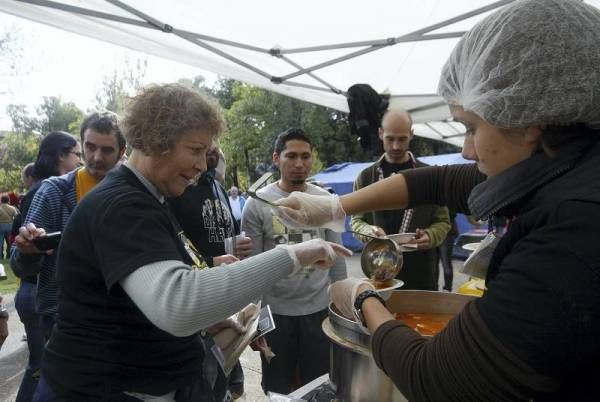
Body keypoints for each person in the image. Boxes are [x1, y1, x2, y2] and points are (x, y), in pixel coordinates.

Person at [274, 1, 600, 400]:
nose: (465, 150)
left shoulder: (575, 231)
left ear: (527, 119)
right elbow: (442, 181)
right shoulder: (572, 163)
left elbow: (437, 379)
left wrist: (363, 299)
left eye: (470, 128)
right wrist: (337, 207)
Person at [28, 84, 350, 401]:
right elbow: (178, 304)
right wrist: (293, 255)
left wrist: (210, 295)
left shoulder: (150, 197)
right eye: (195, 150)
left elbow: (148, 288)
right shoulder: (123, 205)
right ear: (157, 140)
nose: (201, 165)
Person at [242, 128, 347, 394]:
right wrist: (254, 322)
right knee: (278, 388)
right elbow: (251, 268)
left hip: (318, 311)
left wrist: (343, 307)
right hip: (277, 316)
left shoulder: (325, 200)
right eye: (291, 156)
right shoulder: (257, 204)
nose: (299, 164)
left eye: (305, 156)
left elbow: (339, 258)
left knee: (318, 386)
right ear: (276, 158)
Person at [12, 113, 124, 343]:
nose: (96, 157)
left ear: (122, 152)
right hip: (62, 320)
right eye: (90, 147)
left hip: (117, 321)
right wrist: (27, 251)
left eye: (107, 150)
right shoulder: (53, 191)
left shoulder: (131, 194)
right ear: (81, 144)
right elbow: (19, 265)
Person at [169, 144, 251, 399]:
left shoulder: (217, 186)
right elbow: (173, 249)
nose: (212, 148)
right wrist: (211, 261)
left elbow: (230, 232)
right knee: (204, 383)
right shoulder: (177, 189)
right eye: (203, 143)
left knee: (226, 383)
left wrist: (238, 242)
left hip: (225, 299)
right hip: (197, 303)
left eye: (214, 141)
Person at [9, 132, 79, 402]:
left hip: (33, 287)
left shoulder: (41, 187)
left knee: (39, 365)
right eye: (79, 154)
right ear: (61, 155)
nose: (83, 161)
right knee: (40, 369)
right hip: (36, 287)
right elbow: (21, 250)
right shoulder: (49, 190)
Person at [351, 108, 450, 290]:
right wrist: (368, 230)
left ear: (411, 134)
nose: (396, 146)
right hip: (379, 269)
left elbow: (443, 222)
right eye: (390, 138)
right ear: (381, 134)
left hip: (422, 273)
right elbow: (356, 220)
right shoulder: (365, 177)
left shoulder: (431, 175)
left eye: (402, 139)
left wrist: (431, 235)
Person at [438, 211, 458, 292]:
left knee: (446, 265)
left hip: (447, 232)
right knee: (434, 265)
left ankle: (447, 289)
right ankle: (443, 289)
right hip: (437, 231)